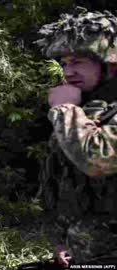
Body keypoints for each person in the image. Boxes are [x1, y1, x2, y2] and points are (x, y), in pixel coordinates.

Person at [36, 10, 117, 266]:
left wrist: (64, 110)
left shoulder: (70, 111)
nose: (67, 72)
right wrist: (61, 240)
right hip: (86, 254)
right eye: (64, 64)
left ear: (110, 64)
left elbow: (98, 160)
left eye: (78, 62)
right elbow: (60, 182)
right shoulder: (86, 110)